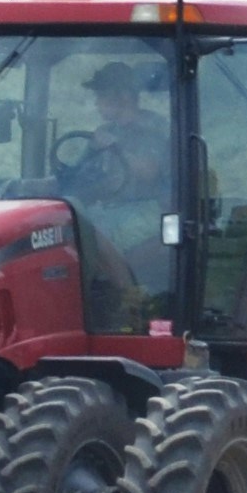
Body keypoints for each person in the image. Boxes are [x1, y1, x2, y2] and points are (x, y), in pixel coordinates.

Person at [63, 58, 170, 321]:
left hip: (152, 210)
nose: (97, 104)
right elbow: (91, 177)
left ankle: (132, 301)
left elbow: (149, 171)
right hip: (112, 208)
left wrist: (115, 145)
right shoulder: (105, 132)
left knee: (88, 230)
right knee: (66, 222)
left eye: (101, 97)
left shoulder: (153, 126)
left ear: (123, 96)